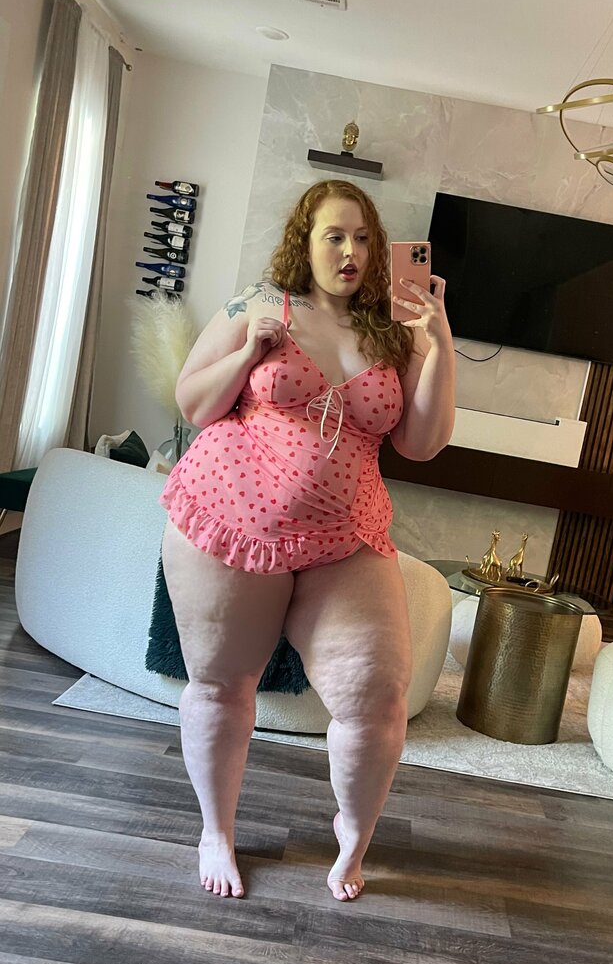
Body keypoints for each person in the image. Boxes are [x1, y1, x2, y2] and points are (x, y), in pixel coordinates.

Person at [158, 179, 456, 901]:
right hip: (234, 520)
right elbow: (194, 403)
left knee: (378, 696)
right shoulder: (260, 303)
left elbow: (421, 443)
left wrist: (438, 342)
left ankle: (353, 836)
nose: (352, 251)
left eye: (364, 238)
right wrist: (247, 353)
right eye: (335, 235)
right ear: (306, 239)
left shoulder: (393, 331)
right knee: (221, 685)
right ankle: (216, 831)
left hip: (346, 537)